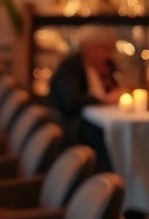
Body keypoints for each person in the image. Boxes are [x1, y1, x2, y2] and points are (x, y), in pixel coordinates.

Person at [46, 26, 124, 170]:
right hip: (72, 123)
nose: (108, 54)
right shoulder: (71, 66)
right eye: (104, 48)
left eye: (110, 49)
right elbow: (71, 101)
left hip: (96, 119)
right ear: (88, 47)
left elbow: (113, 89)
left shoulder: (106, 66)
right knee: (105, 141)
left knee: (118, 136)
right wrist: (102, 100)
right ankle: (103, 181)